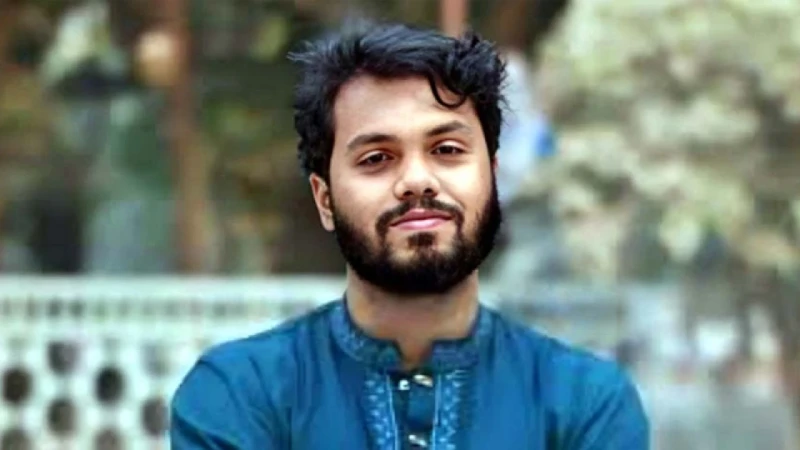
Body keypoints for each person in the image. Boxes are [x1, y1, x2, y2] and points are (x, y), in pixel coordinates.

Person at [170, 22, 649, 449]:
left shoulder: (586, 404)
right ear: (325, 200)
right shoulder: (238, 394)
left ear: (493, 178)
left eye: (447, 149)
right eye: (376, 158)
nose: (418, 180)